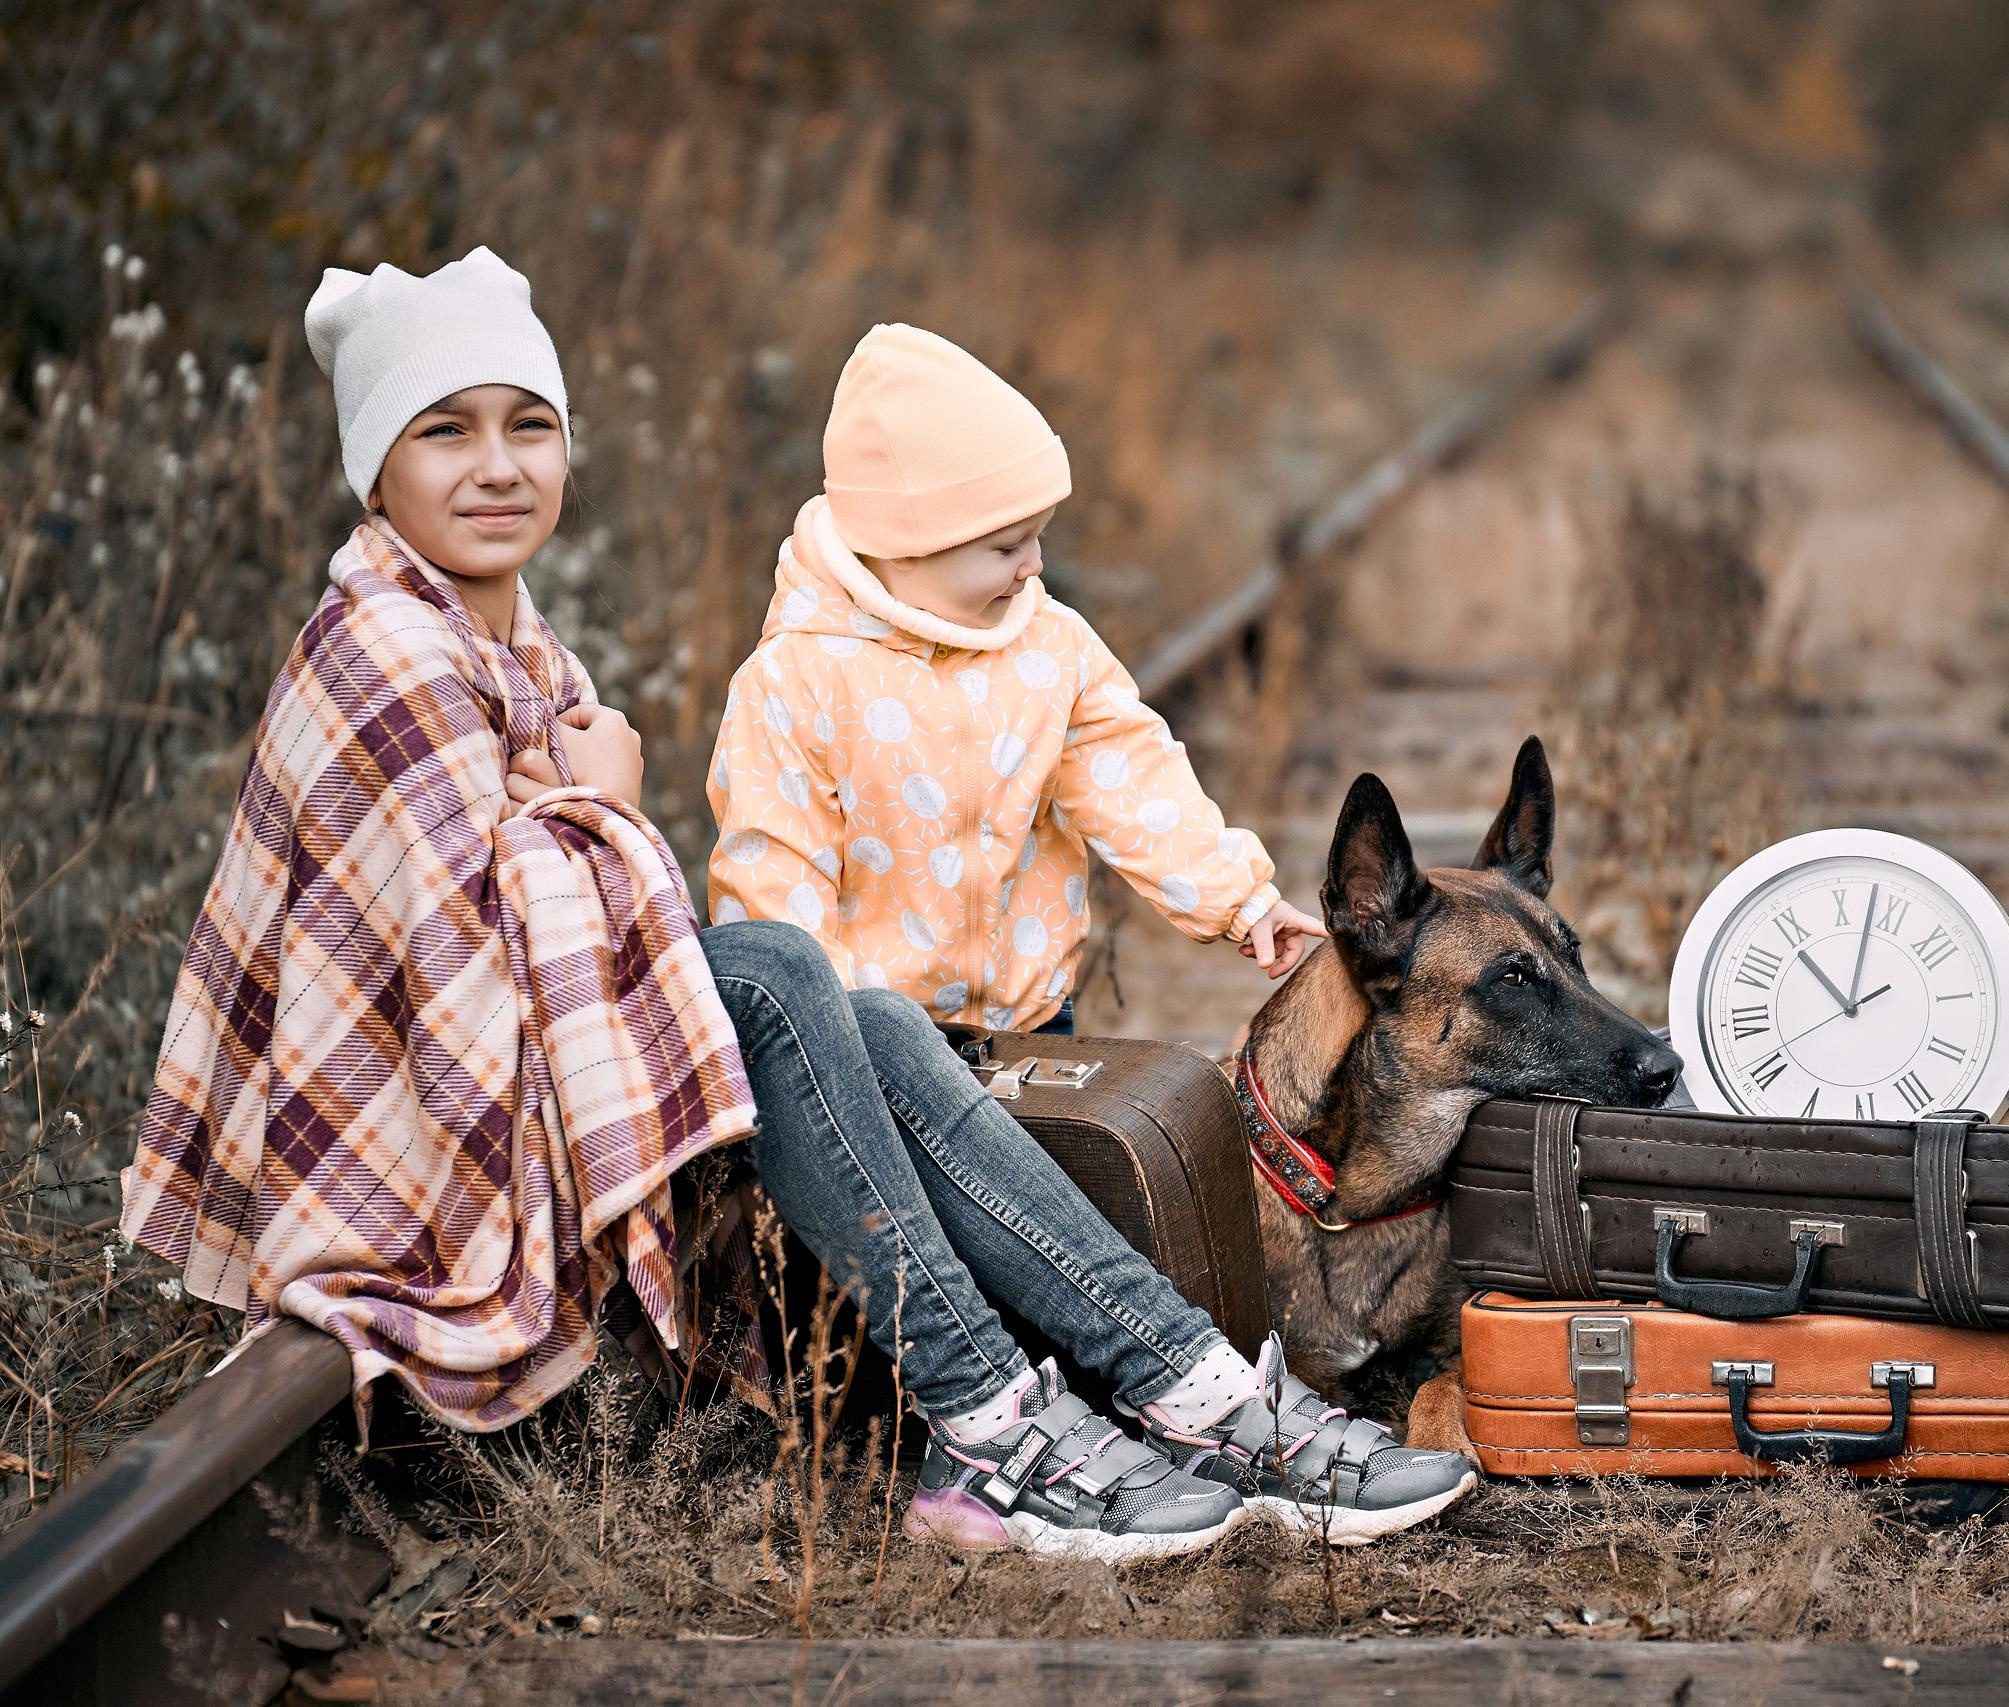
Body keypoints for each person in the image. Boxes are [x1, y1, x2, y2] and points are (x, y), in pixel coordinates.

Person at [700, 325, 1472, 1559]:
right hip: (871, 1046)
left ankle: (1148, 1402)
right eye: (1004, 545)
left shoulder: (1044, 644)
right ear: (903, 541)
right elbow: (770, 881)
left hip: (1019, 1018)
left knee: (1054, 1182)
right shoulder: (797, 685)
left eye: (1036, 537)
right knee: (922, 1165)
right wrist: (834, 1041)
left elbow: (1129, 773)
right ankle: (987, 1432)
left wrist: (1235, 895)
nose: (1033, 563)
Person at [120, 249, 760, 1432]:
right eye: (445, 433)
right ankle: (986, 1400)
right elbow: (469, 978)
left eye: (530, 425)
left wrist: (571, 817)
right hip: (419, 1135)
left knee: (831, 1004)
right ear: (375, 476)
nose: (501, 468)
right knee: (773, 983)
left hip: (486, 1065)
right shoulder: (395, 655)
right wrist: (609, 804)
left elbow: (535, 913)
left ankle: (1031, 1379)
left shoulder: (511, 642)